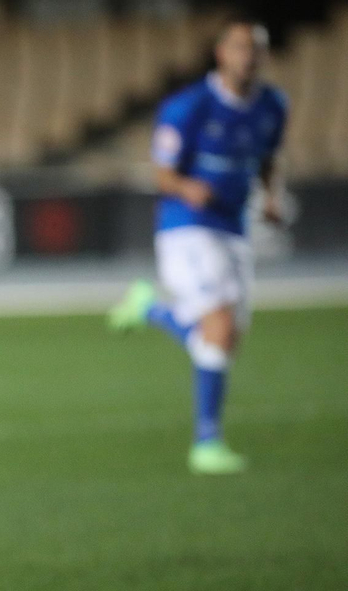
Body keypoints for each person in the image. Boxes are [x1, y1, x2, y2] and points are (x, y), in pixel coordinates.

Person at [108, 17, 287, 475]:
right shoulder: (188, 107)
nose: (249, 57)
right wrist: (189, 190)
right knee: (219, 329)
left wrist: (270, 196)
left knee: (224, 342)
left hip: (233, 229)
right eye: (240, 48)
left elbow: (266, 157)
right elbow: (161, 172)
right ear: (221, 54)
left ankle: (150, 308)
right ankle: (206, 443)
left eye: (256, 50)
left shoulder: (272, 106)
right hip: (186, 226)